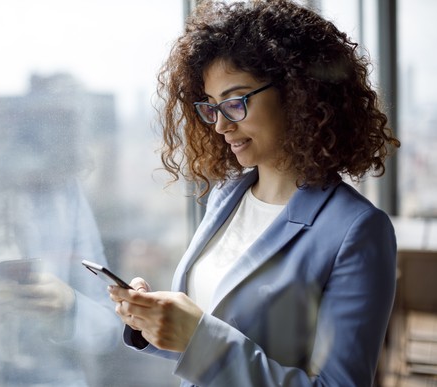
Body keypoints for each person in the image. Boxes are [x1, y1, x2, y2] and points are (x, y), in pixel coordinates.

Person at [108, 0, 401, 386]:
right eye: (211, 108)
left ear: (299, 94)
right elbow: (215, 332)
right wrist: (154, 320)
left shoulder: (357, 230)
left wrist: (199, 340)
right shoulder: (226, 197)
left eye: (235, 102)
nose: (220, 126)